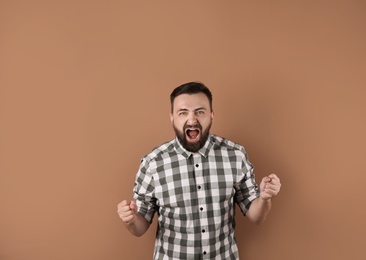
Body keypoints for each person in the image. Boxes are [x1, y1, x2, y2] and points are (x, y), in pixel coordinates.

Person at [117, 81, 281, 259]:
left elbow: (256, 216)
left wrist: (264, 199)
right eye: (183, 112)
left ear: (211, 115)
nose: (192, 119)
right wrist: (131, 219)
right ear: (172, 118)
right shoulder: (153, 163)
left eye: (200, 112)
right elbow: (139, 228)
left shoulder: (235, 155)